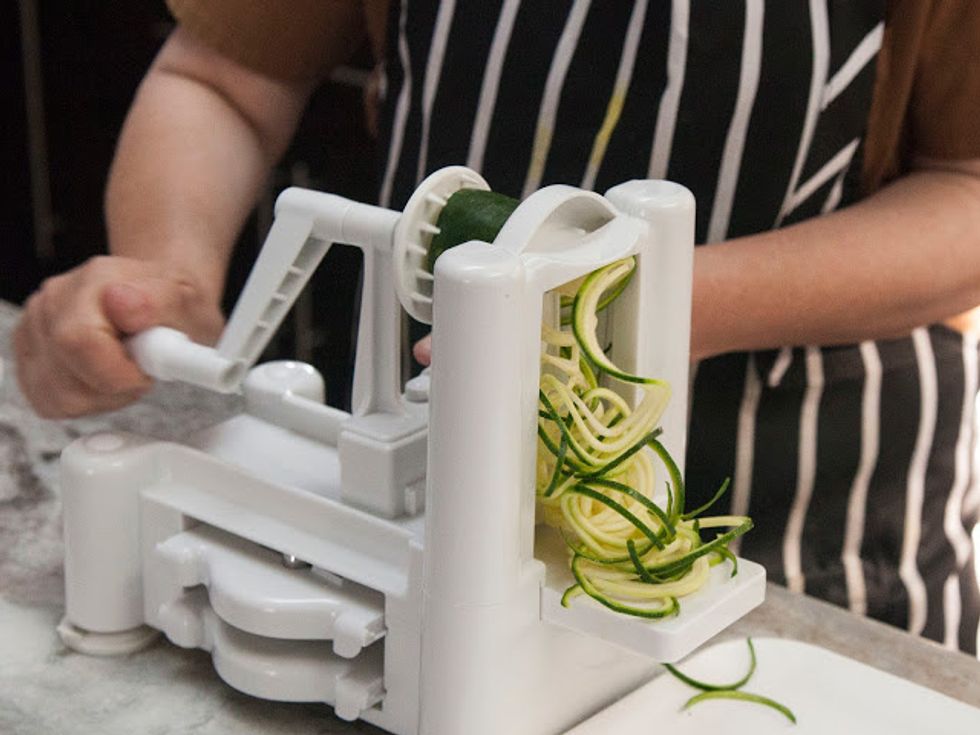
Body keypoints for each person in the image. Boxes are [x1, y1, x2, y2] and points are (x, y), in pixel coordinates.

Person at [13, 1, 980, 654]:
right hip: (416, 489)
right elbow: (225, 73)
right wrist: (166, 273)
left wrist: (644, 304)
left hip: (810, 515)